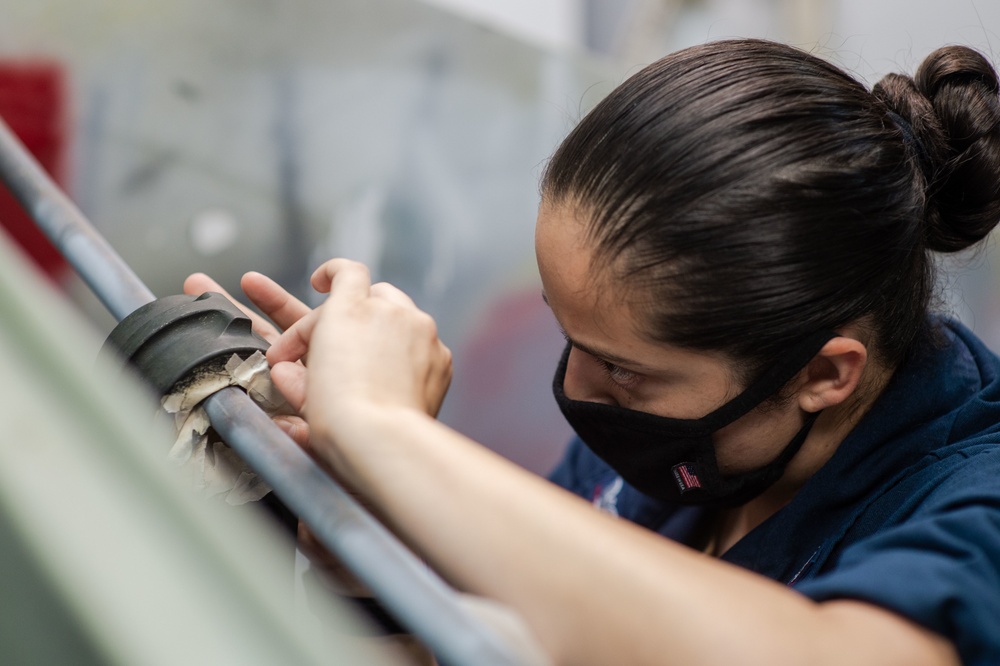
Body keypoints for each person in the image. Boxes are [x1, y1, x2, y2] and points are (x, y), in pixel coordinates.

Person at [186, 38, 1000, 665]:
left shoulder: (977, 505)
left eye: (624, 369)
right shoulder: (668, 438)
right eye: (570, 336)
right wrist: (379, 539)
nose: (578, 388)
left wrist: (385, 432)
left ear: (824, 374)